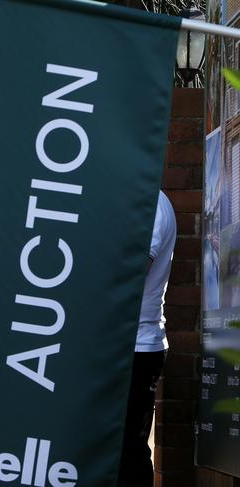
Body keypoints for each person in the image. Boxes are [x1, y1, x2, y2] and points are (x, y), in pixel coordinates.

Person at [117, 190, 176, 487]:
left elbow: (130, 274)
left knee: (127, 454)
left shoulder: (152, 205)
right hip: (117, 344)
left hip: (136, 348)